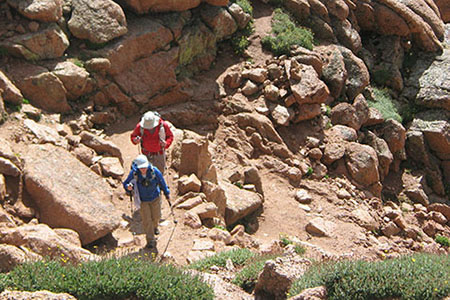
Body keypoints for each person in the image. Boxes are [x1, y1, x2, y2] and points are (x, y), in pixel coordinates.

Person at [123, 154, 170, 250]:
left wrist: (166, 193)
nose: (143, 169)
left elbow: (162, 182)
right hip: (143, 200)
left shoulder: (154, 171)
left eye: (144, 167)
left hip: (155, 198)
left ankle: (155, 227)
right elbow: (126, 183)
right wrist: (128, 187)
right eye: (141, 168)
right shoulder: (134, 173)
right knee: (147, 220)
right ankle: (150, 240)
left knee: (156, 217)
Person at [130, 111, 174, 175]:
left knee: (159, 172)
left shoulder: (162, 125)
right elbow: (133, 136)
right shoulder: (140, 127)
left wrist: (166, 144)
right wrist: (135, 140)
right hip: (146, 153)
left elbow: (170, 136)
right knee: (147, 173)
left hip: (159, 153)